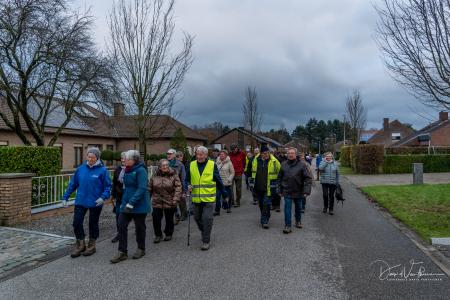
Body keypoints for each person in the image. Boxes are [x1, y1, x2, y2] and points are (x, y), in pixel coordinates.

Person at [62, 147, 111, 258]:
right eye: (88, 156)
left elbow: (108, 187)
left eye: (92, 157)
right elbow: (73, 184)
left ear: (97, 157)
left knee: (93, 224)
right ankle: (80, 244)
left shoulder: (103, 170)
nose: (89, 159)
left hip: (95, 202)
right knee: (76, 222)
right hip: (81, 200)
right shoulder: (81, 169)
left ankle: (91, 245)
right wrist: (65, 197)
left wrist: (103, 197)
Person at [110, 150, 150, 263]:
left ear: (134, 160)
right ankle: (122, 251)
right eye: (125, 159)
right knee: (121, 224)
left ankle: (141, 248)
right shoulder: (127, 170)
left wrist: (131, 202)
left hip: (139, 204)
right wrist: (124, 202)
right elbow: (126, 189)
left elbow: (142, 188)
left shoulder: (141, 170)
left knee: (139, 227)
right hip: (127, 204)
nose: (124, 161)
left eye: (127, 159)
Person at [186, 146, 227, 250]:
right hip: (196, 198)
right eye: (197, 154)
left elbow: (218, 180)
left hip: (208, 198)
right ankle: (205, 231)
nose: (199, 157)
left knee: (207, 219)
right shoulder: (191, 165)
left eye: (201, 155)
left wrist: (225, 194)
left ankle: (205, 241)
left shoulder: (211, 165)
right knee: (197, 218)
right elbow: (186, 180)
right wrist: (188, 185)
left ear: (205, 155)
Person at [278, 148, 312, 234]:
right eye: (289, 153)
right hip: (287, 190)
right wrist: (279, 190)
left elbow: (307, 179)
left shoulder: (302, 165)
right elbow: (279, 178)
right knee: (287, 208)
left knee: (298, 207)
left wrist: (306, 191)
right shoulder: (283, 164)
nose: (290, 154)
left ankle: (298, 221)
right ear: (287, 154)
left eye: (292, 153)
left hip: (298, 190)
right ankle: (287, 225)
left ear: (295, 154)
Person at [149, 159, 182, 243]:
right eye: (163, 165)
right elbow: (149, 187)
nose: (165, 167)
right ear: (159, 167)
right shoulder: (154, 175)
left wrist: (175, 199)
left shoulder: (174, 174)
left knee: (169, 218)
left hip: (169, 199)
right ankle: (158, 235)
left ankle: (168, 233)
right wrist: (147, 198)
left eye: (167, 165)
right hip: (157, 200)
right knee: (156, 218)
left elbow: (178, 187)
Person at [248, 144, 281, 229]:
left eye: (267, 153)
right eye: (264, 153)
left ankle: (264, 221)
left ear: (269, 153)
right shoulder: (255, 160)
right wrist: (250, 184)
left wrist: (279, 184)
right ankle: (266, 214)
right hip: (258, 187)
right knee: (261, 204)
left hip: (269, 187)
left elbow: (280, 172)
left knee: (266, 204)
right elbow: (250, 172)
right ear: (260, 153)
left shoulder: (274, 161)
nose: (266, 155)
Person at [167, 148, 187, 224]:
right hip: (168, 187)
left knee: (181, 201)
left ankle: (184, 214)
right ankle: (176, 214)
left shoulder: (180, 164)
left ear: (174, 155)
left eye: (170, 154)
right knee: (171, 202)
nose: (168, 155)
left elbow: (183, 177)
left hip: (178, 187)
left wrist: (184, 190)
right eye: (167, 154)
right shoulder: (165, 164)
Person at [111, 152, 126, 243]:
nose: (123, 160)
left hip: (129, 197)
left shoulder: (132, 169)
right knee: (118, 215)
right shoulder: (118, 169)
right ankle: (119, 233)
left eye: (124, 158)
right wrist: (113, 195)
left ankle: (138, 229)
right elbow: (114, 182)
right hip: (119, 197)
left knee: (132, 215)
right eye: (122, 158)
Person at [214, 149, 234, 216]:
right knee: (217, 197)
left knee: (227, 196)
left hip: (226, 183)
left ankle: (228, 207)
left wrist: (229, 179)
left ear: (226, 155)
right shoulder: (217, 162)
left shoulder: (229, 163)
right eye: (220, 154)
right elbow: (215, 171)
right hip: (219, 183)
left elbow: (232, 172)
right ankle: (217, 210)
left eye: (222, 154)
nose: (221, 155)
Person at [229, 144, 247, 208]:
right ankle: (232, 201)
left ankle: (238, 201)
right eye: (232, 149)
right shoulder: (229, 154)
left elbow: (244, 162)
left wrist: (242, 169)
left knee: (238, 188)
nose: (234, 150)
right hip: (231, 173)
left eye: (234, 149)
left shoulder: (242, 154)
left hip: (238, 173)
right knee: (230, 188)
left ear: (237, 148)